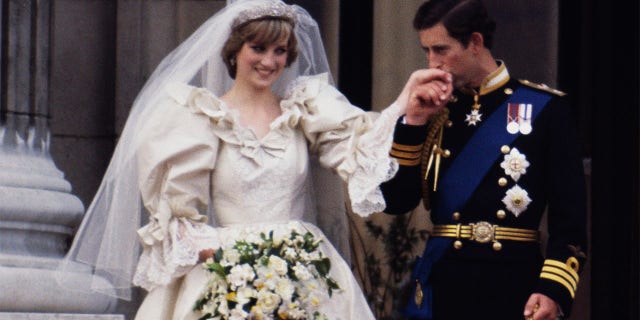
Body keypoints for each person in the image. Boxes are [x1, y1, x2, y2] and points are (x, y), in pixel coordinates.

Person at [57, 0, 451, 319]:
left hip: (305, 269)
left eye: (280, 51)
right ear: (234, 51)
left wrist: (405, 105)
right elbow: (180, 218)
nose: (269, 61)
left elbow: (361, 148)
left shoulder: (304, 109)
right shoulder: (199, 118)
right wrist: (239, 269)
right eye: (258, 48)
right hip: (228, 272)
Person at [380, 0, 588, 319]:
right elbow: (395, 201)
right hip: (445, 283)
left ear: (475, 43)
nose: (432, 63)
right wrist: (414, 122)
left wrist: (552, 290)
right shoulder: (434, 112)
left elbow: (570, 222)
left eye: (441, 50)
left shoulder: (546, 109)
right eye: (427, 51)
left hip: (513, 285)